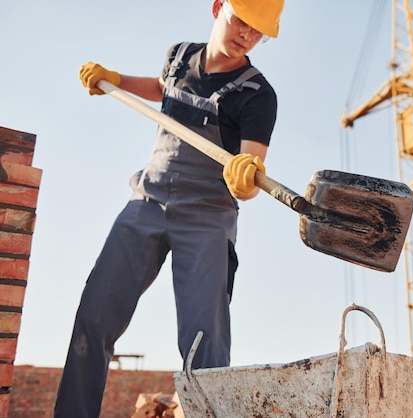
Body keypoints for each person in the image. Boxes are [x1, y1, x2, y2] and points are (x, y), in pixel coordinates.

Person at [53, 0, 284, 416]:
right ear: (218, 8)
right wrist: (116, 80)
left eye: (257, 31)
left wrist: (245, 175)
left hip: (208, 218)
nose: (247, 35)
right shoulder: (178, 56)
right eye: (241, 21)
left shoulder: (258, 94)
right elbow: (162, 90)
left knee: (204, 345)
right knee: (94, 317)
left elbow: (251, 167)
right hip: (147, 201)